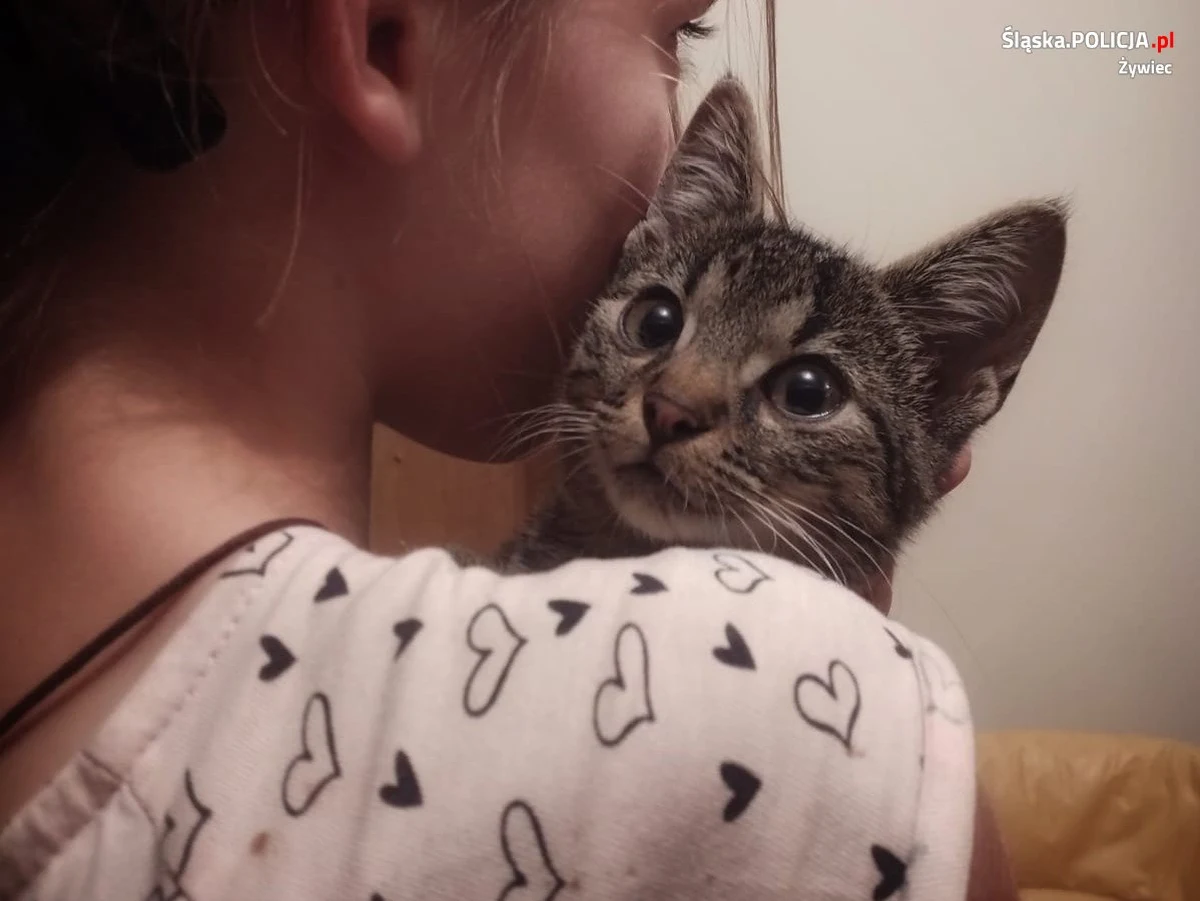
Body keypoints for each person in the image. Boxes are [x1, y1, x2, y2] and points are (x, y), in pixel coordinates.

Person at [0, 1, 1006, 898]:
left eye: (805, 391)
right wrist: (842, 692)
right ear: (384, 33)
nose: (677, 400)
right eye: (676, 37)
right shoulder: (815, 708)